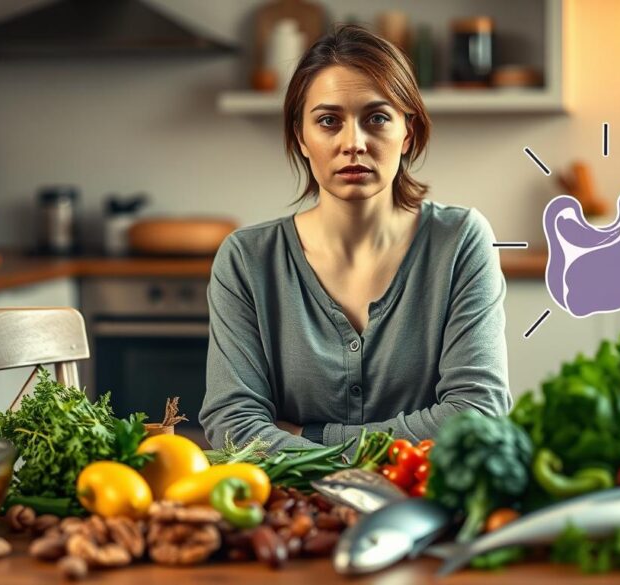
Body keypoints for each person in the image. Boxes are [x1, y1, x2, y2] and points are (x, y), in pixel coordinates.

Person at [200, 24, 510, 453]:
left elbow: (478, 414)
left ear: (409, 133)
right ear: (300, 138)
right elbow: (232, 424)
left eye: (377, 118)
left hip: (423, 504)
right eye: (328, 121)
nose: (353, 143)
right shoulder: (246, 259)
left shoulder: (459, 241)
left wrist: (309, 436)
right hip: (292, 514)